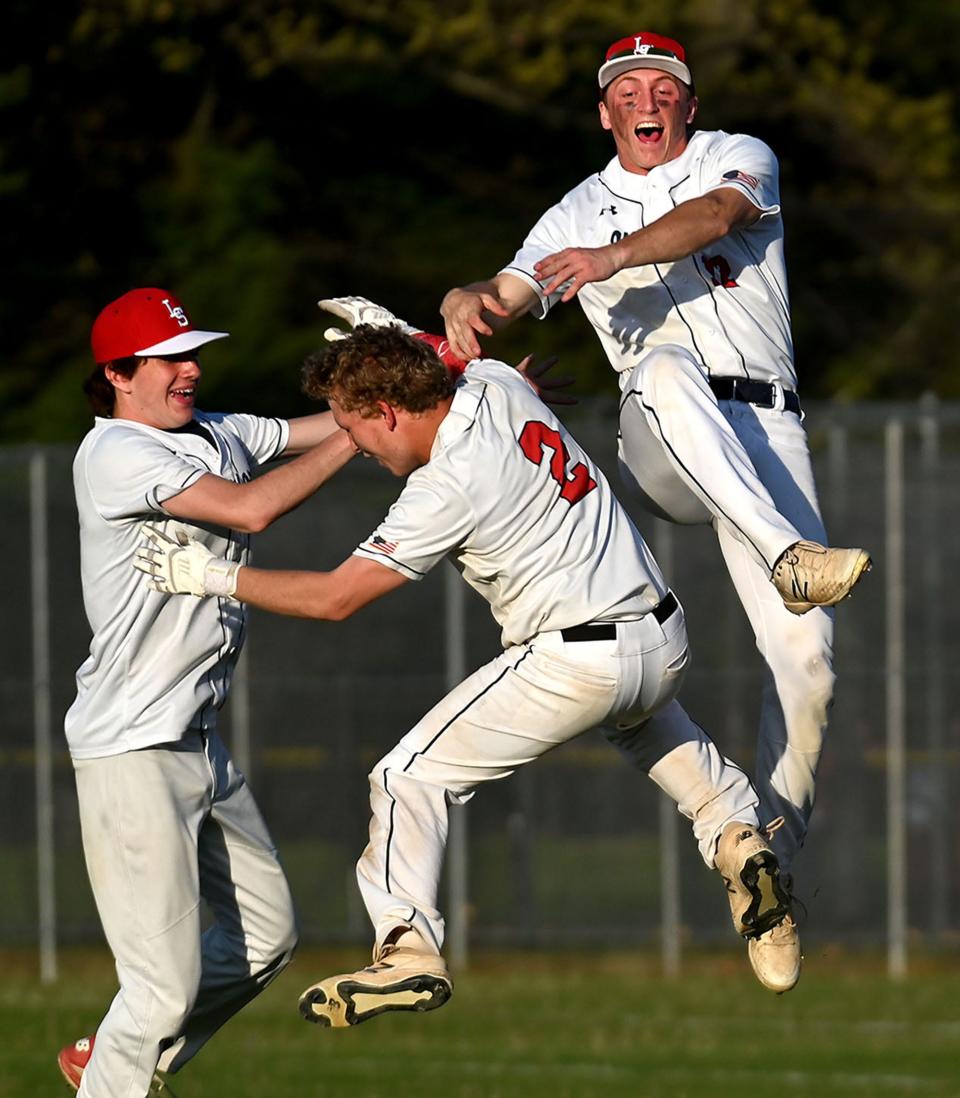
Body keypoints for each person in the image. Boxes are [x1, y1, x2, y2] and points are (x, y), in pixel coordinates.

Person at [134, 318, 795, 1029]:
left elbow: (335, 598)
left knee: (407, 777)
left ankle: (407, 950)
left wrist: (212, 576)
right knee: (639, 723)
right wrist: (381, 332)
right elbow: (459, 360)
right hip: (662, 637)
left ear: (388, 411)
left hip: (576, 656)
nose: (355, 447)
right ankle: (739, 838)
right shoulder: (500, 383)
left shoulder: (442, 487)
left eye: (357, 431)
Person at [439, 31, 872, 992]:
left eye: (662, 85)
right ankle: (787, 554)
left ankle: (769, 870)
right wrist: (469, 295)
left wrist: (611, 259)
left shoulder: (735, 155)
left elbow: (717, 216)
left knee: (812, 670)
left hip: (766, 428)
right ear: (604, 112)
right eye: (626, 87)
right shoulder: (574, 210)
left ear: (685, 101)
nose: (646, 99)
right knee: (668, 369)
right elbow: (505, 293)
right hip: (662, 434)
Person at [57, 287, 356, 1097]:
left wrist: (415, 373)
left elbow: (323, 427)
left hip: (198, 743)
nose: (190, 370)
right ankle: (116, 1068)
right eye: (169, 358)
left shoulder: (214, 431)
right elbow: (251, 510)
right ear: (119, 373)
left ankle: (110, 1052)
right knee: (161, 986)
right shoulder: (116, 452)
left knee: (268, 936)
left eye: (193, 353)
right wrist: (366, 427)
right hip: (131, 748)